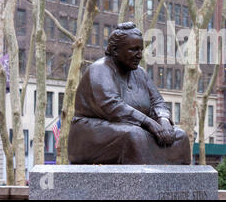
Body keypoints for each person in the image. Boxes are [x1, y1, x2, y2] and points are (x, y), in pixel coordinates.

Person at [68, 22, 191, 165]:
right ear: (115, 50)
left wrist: (163, 122)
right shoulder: (100, 70)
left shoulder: (140, 73)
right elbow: (113, 107)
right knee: (134, 136)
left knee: (180, 137)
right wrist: (149, 123)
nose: (139, 55)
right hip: (91, 134)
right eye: (133, 50)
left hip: (136, 127)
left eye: (141, 49)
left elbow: (158, 102)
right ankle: (140, 185)